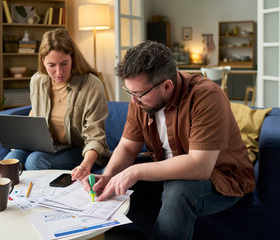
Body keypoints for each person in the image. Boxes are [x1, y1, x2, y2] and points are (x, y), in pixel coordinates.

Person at [82, 41, 255, 239]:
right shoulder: (140, 100)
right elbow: (128, 147)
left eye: (138, 94)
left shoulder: (207, 96)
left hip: (220, 177)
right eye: (129, 92)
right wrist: (109, 176)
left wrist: (135, 171)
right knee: (121, 182)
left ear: (167, 86)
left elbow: (200, 166)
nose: (133, 101)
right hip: (167, 169)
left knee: (177, 189)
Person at [4, 28, 110, 180]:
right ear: (43, 62)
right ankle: (18, 202)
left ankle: (46, 201)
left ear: (73, 58)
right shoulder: (37, 80)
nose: (59, 72)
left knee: (35, 161)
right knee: (12, 159)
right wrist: (22, 139)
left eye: (64, 63)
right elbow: (35, 112)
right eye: (52, 65)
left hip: (81, 150)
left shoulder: (91, 85)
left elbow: (95, 137)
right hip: (50, 147)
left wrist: (85, 164)